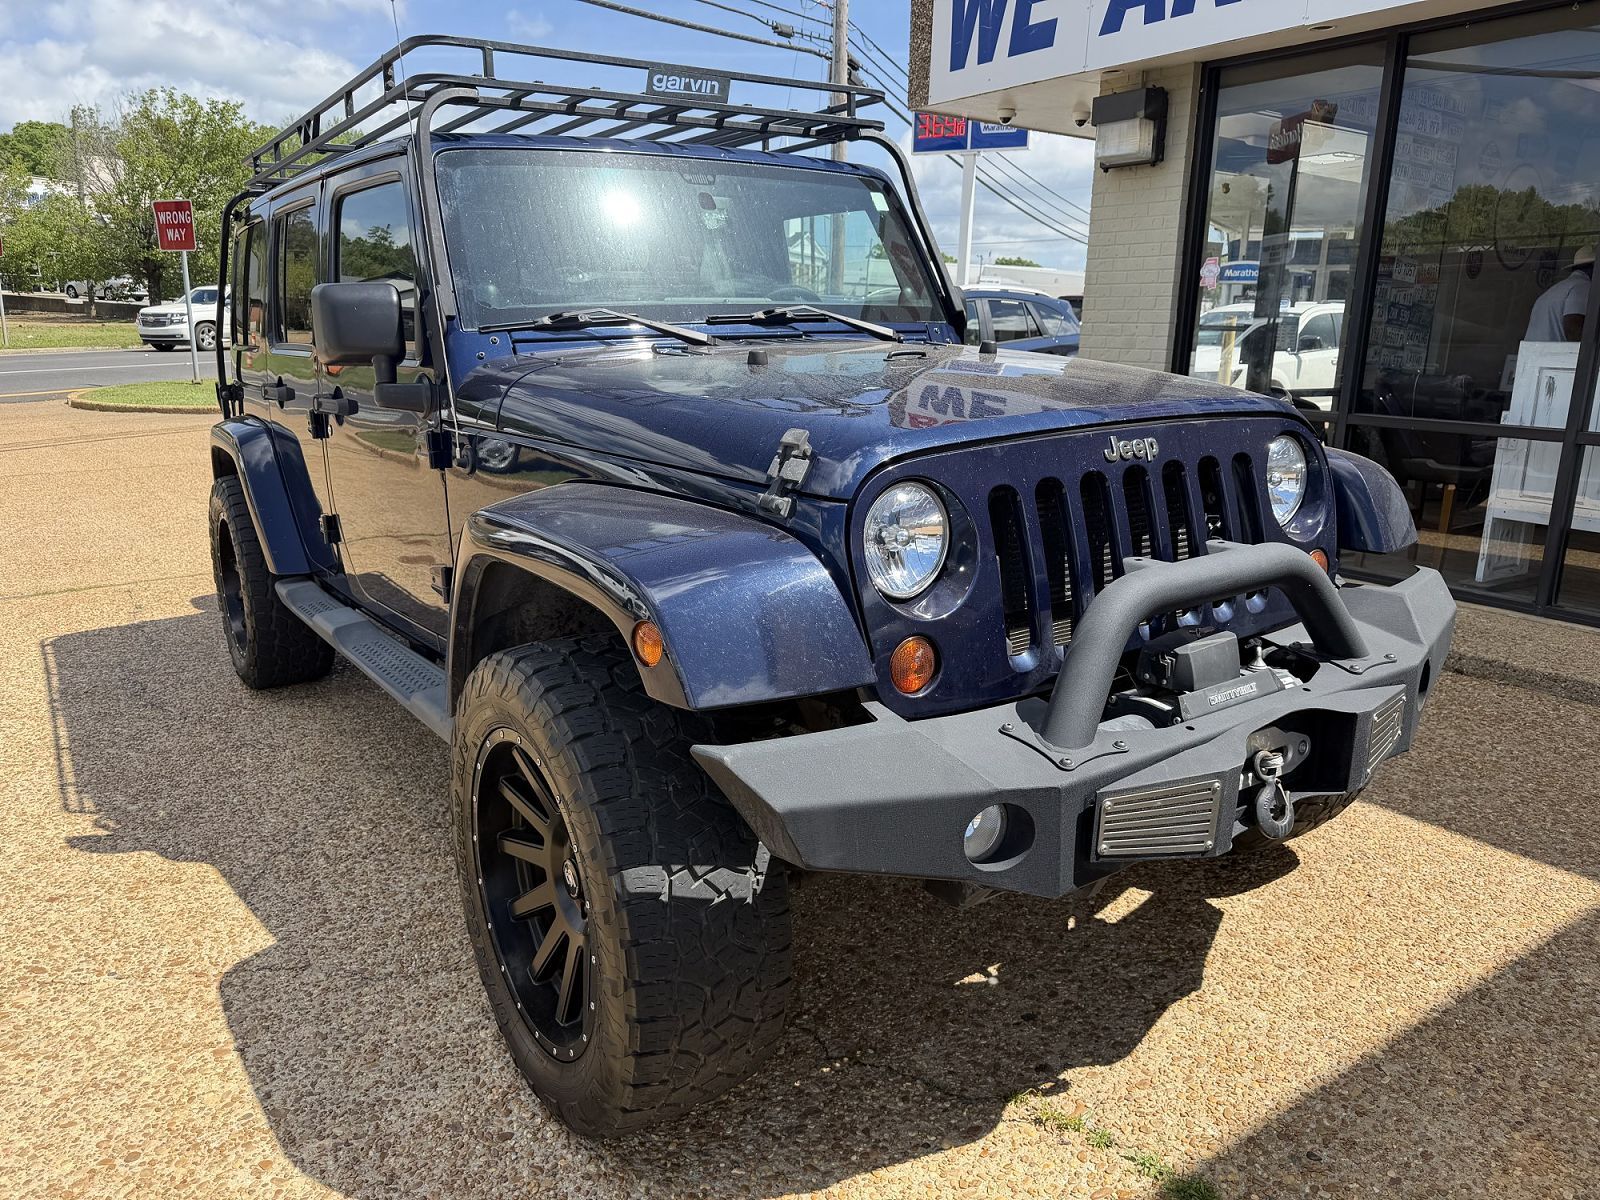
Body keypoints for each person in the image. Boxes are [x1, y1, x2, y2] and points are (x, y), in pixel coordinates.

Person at [1524, 245, 1593, 342]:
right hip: (1557, 355)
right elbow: (1574, 330)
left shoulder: (1557, 289)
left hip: (1534, 355)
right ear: (1594, 267)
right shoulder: (1583, 286)